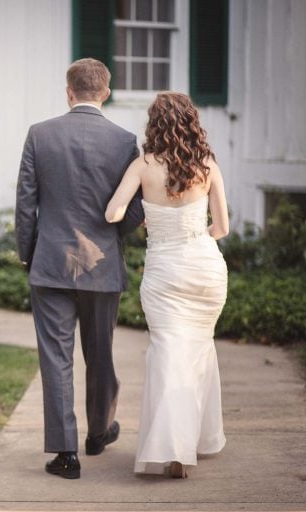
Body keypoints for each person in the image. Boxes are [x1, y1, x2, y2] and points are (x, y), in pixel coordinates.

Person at [15, 58, 143, 479]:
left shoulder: (40, 134)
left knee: (56, 358)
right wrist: (112, 237)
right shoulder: (125, 141)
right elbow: (132, 210)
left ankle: (65, 454)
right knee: (100, 353)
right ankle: (99, 432)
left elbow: (26, 202)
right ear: (104, 92)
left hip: (50, 264)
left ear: (69, 91)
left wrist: (25, 252)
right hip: (102, 267)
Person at [105, 91, 229, 479]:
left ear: (154, 124)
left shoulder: (142, 166)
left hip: (165, 272)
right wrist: (194, 233)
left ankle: (173, 448)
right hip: (205, 268)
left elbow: (113, 212)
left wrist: (148, 216)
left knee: (168, 355)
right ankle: (190, 442)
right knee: (197, 351)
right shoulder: (207, 164)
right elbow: (222, 228)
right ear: (191, 122)